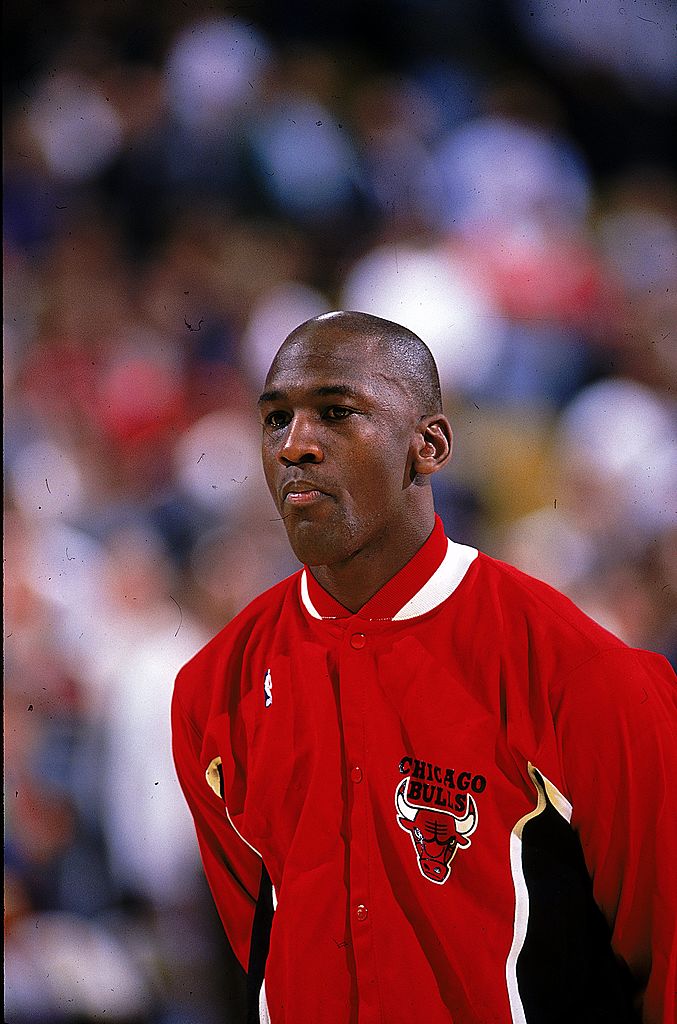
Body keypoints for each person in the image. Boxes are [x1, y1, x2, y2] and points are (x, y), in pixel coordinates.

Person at [171, 311, 676, 1024]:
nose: (295, 446)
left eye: (335, 412)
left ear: (428, 446)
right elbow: (260, 957)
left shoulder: (583, 674)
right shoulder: (212, 689)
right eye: (275, 419)